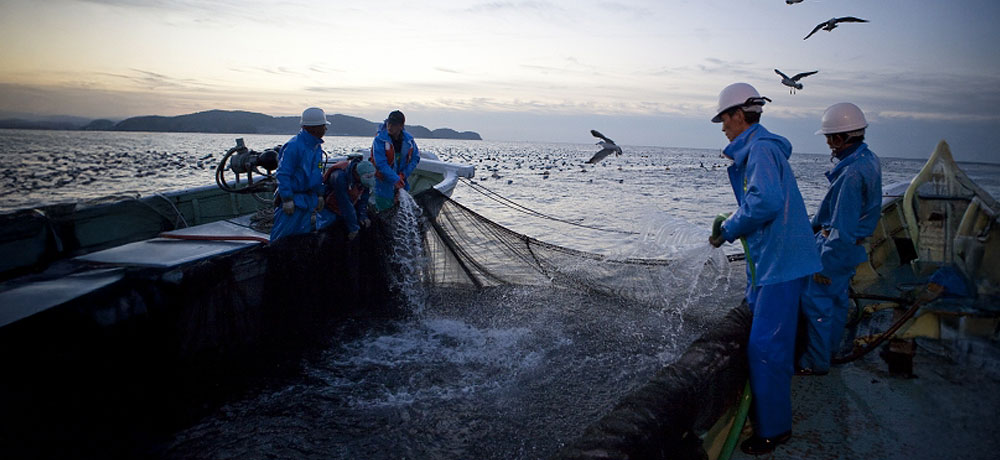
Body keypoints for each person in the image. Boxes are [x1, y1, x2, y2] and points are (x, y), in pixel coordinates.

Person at [708, 82, 822, 455]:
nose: (722, 127)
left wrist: (728, 229)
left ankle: (774, 430)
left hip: (780, 264)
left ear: (739, 115)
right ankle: (768, 408)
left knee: (764, 346)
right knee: (766, 335)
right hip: (773, 262)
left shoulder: (758, 150)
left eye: (724, 118)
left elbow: (765, 201)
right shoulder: (761, 148)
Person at [797, 102, 882, 375]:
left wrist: (824, 264)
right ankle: (830, 352)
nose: (828, 145)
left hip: (837, 248)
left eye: (829, 138)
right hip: (851, 249)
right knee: (836, 301)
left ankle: (816, 362)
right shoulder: (867, 159)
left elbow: (842, 228)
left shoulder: (851, 174)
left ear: (839, 138)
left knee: (817, 303)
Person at [271, 107, 329, 241]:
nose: (325, 129)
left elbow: (318, 172)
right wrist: (287, 199)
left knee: (302, 238)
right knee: (282, 238)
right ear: (314, 128)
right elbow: (283, 173)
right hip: (294, 202)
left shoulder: (317, 148)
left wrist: (320, 194)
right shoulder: (293, 146)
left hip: (307, 201)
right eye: (323, 126)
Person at [370, 110, 420, 212]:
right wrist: (395, 179)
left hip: (402, 182)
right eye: (389, 123)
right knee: (384, 213)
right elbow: (381, 163)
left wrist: (403, 175)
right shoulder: (379, 140)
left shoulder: (409, 141)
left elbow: (415, 158)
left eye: (394, 124)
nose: (390, 126)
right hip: (383, 185)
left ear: (401, 126)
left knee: (402, 212)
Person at [316, 158, 376, 240]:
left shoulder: (363, 180)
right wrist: (353, 228)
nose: (370, 179)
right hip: (329, 207)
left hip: (349, 204)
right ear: (357, 174)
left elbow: (363, 200)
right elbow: (345, 204)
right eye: (368, 177)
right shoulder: (339, 177)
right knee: (322, 227)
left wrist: (363, 215)